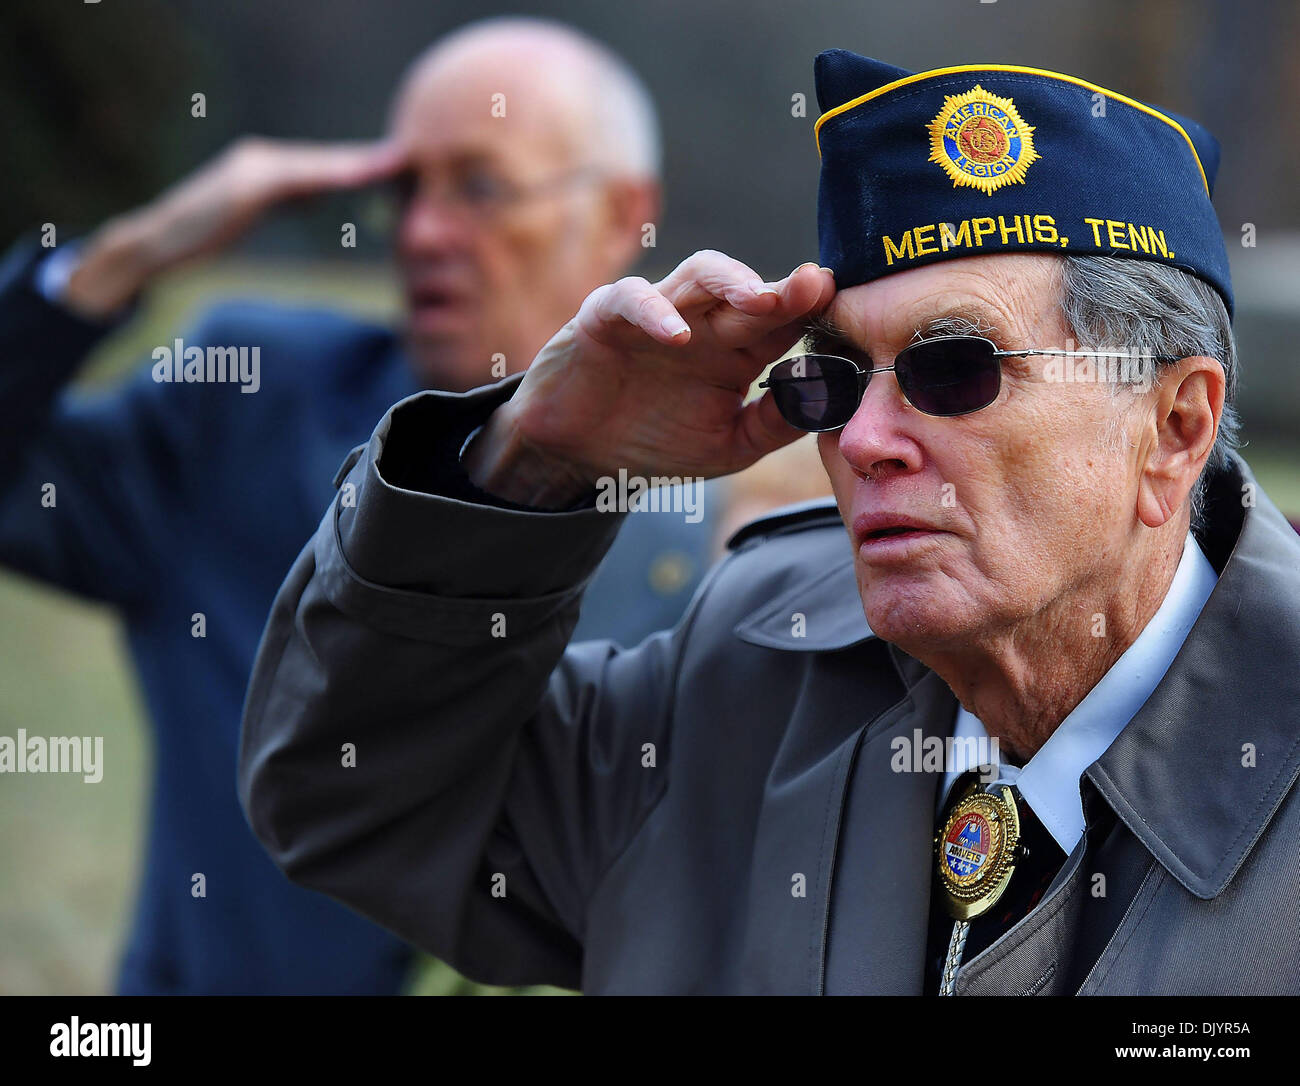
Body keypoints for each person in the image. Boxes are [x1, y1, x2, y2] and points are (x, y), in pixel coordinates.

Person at [238, 50, 1300, 994]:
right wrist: (532, 465)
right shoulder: (756, 665)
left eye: (951, 368)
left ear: (1172, 424)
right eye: (832, 377)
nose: (862, 438)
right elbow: (352, 798)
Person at [0, 17, 716, 995]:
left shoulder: (712, 516)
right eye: (401, 189)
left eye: (479, 186)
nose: (421, 231)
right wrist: (111, 264)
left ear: (622, 212)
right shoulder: (247, 408)